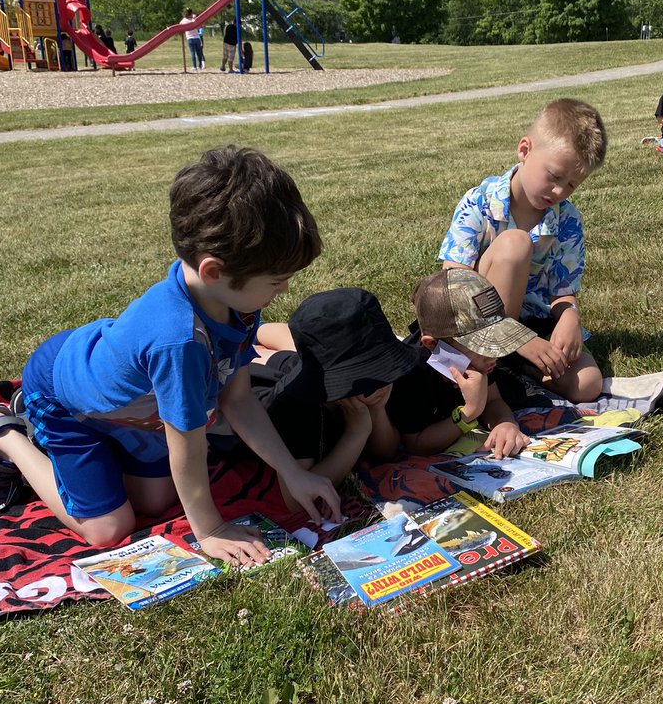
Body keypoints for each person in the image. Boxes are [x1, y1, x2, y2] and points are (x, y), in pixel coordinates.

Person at [0, 146, 341, 565]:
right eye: (277, 280)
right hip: (63, 398)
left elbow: (238, 398)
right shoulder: (179, 343)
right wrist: (209, 530)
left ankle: (100, 449)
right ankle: (3, 432)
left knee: (156, 501)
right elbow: (187, 444)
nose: (284, 291)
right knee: (108, 529)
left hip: (128, 403)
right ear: (213, 270)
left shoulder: (232, 297)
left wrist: (292, 471)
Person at [437, 97, 606, 404]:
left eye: (571, 185)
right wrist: (513, 336)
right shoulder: (480, 202)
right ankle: (495, 363)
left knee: (588, 384)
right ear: (525, 150)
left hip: (532, 323)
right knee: (516, 243)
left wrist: (569, 317)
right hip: (478, 324)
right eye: (554, 177)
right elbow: (453, 281)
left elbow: (562, 291)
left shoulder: (566, 219)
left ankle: (512, 368)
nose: (559, 192)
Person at [215, 289, 419, 481]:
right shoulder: (295, 410)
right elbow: (297, 494)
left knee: (287, 353)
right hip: (247, 398)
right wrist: (355, 434)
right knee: (241, 367)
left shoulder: (368, 385)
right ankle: (240, 340)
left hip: (294, 364)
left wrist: (377, 410)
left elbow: (387, 453)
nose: (382, 381)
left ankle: (255, 333)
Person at [381, 269, 536, 460]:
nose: (493, 356)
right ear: (432, 344)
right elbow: (417, 444)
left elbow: (493, 401)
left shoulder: (480, 362)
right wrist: (469, 411)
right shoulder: (411, 373)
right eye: (481, 347)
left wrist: (505, 423)